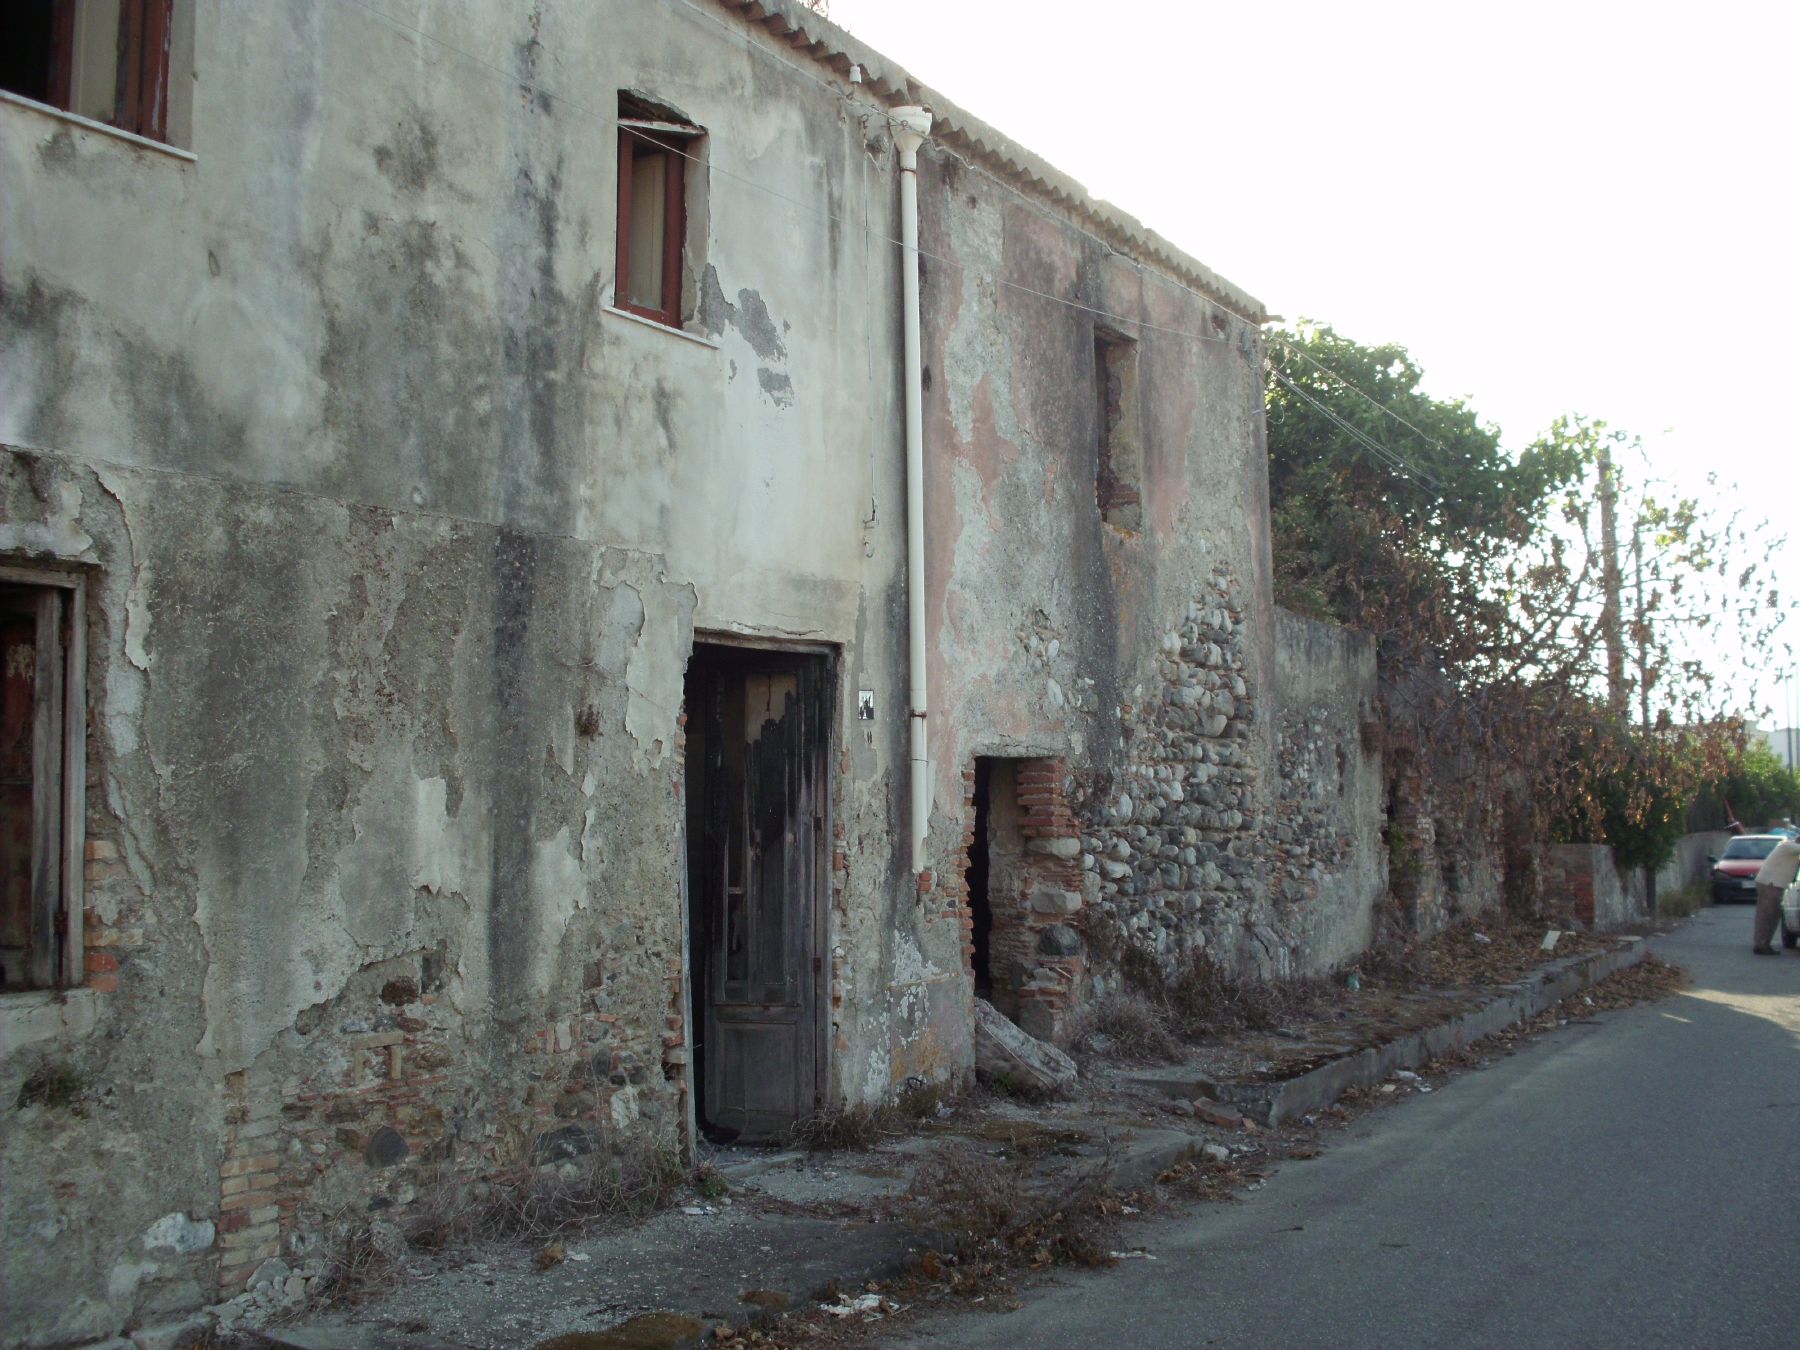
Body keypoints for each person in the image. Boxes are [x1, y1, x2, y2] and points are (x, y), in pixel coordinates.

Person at [1750, 835, 1800, 954]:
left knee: (1769, 915)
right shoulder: (1788, 846)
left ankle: (1762, 943)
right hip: (1771, 883)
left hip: (1771, 883)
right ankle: (1761, 945)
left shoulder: (1790, 848)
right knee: (1767, 915)